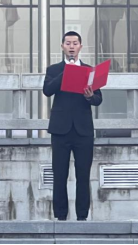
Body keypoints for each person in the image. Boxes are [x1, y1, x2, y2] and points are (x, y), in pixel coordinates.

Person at [42, 31, 103, 221]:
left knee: (83, 175)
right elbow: (47, 90)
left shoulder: (89, 70)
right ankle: (60, 216)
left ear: (80, 47)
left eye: (75, 43)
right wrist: (66, 72)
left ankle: (82, 216)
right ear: (62, 46)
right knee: (59, 175)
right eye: (68, 43)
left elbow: (98, 99)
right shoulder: (53, 70)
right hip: (60, 130)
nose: (71, 46)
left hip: (83, 130)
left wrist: (90, 96)